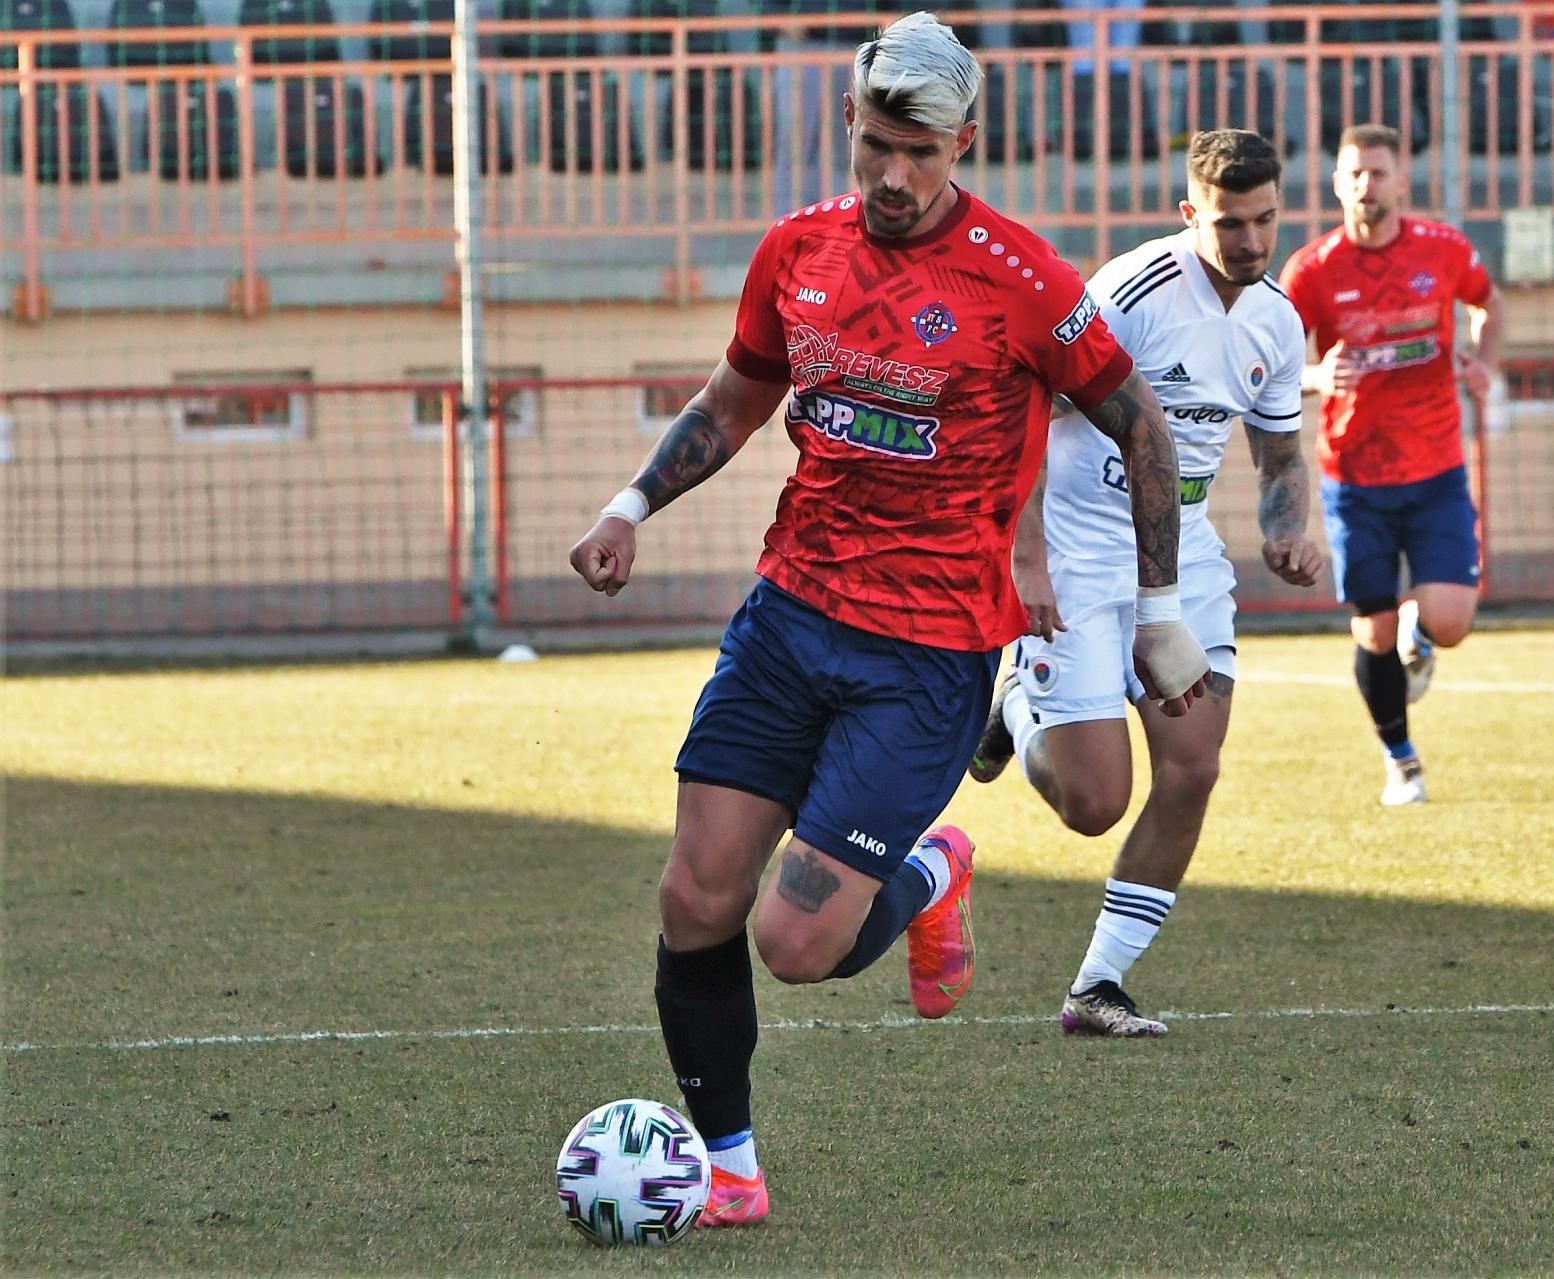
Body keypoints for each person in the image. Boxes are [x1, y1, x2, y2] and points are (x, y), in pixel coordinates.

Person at [566, 11, 1210, 1229]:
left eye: (921, 151)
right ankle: (731, 1170)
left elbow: (1143, 429)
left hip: (927, 655)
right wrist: (630, 504)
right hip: (788, 616)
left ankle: (929, 868)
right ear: (848, 126)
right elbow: (735, 397)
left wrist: (1160, 613)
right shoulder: (796, 250)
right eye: (877, 145)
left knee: (795, 944)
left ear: (965, 141)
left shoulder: (1023, 279)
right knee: (695, 897)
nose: (896, 175)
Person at [966, 129, 1321, 1038]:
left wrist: (1288, 528)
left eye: (1266, 220)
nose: (1251, 240)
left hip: (1184, 554)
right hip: (1079, 555)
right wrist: (1026, 556)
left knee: (1193, 768)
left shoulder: (1279, 321)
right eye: (1230, 223)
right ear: (1190, 212)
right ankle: (1016, 709)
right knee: (1094, 804)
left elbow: (1281, 455)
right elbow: (1026, 412)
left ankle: (1100, 983)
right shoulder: (1129, 293)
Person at [1277, 123, 1505, 806]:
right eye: (1353, 174)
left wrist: (1483, 362)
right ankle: (1401, 761)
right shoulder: (1312, 270)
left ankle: (1423, 634)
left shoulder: (1443, 248)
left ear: (1401, 180)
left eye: (1377, 172)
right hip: (1355, 477)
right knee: (1373, 632)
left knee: (1452, 621)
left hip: (1436, 469)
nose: (1365, 185)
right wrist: (1317, 377)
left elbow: (1488, 303)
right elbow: (1271, 367)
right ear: (1336, 184)